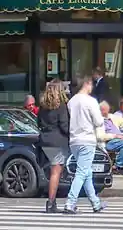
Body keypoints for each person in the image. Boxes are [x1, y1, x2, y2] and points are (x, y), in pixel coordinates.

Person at [64, 76, 107, 214]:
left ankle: (95, 203)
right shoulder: (90, 101)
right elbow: (98, 121)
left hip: (74, 140)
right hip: (87, 139)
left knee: (87, 172)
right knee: (82, 172)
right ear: (87, 84)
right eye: (91, 85)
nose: (92, 87)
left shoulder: (71, 101)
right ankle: (70, 202)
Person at [37, 80, 70, 213]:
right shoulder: (61, 106)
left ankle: (52, 201)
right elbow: (64, 125)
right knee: (56, 172)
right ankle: (51, 202)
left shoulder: (43, 106)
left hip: (45, 141)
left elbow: (38, 121)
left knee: (53, 172)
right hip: (58, 141)